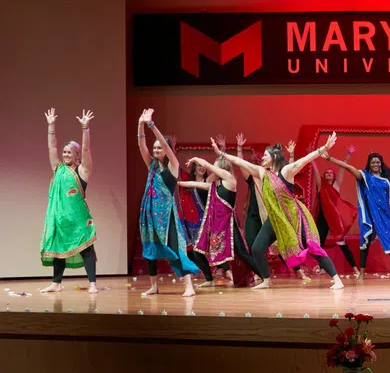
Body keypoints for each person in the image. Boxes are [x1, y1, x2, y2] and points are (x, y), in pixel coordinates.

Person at [213, 134, 345, 289]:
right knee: (257, 248)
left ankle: (337, 279)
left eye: (265, 156)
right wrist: (221, 153)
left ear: (274, 157)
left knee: (313, 248)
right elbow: (239, 162)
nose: (262, 158)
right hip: (275, 219)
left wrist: (324, 148)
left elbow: (305, 160)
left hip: (293, 217)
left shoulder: (287, 171)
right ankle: (266, 281)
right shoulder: (263, 173)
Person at [325, 151, 390, 279]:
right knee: (365, 242)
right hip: (370, 215)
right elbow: (348, 168)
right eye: (373, 162)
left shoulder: (387, 174)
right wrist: (330, 158)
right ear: (369, 164)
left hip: (385, 215)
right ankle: (362, 273)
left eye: (377, 162)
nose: (375, 164)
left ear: (381, 163)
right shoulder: (364, 176)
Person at [136, 109, 199, 297]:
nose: (155, 150)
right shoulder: (152, 166)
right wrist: (140, 123)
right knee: (150, 249)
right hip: (149, 215)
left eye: (159, 148)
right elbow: (141, 145)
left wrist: (151, 125)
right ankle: (154, 286)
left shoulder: (173, 166)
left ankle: (189, 286)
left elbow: (164, 143)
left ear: (167, 150)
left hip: (167, 216)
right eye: (154, 148)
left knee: (177, 249)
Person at [178, 153, 263, 286]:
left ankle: (265, 277)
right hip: (222, 226)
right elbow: (195, 184)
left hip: (230, 224)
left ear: (222, 168)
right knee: (239, 253)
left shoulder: (230, 180)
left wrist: (195, 158)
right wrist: (178, 183)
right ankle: (210, 279)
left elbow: (207, 166)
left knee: (242, 253)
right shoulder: (216, 185)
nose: (213, 170)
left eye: (216, 167)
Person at [39, 108, 98, 293]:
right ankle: (56, 283)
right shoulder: (58, 169)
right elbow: (52, 148)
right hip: (60, 219)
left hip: (78, 220)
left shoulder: (83, 171)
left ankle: (93, 284)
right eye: (64, 152)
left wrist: (85, 129)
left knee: (86, 248)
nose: (65, 155)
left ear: (77, 155)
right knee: (58, 249)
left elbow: (87, 148)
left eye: (69, 152)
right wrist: (51, 126)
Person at [312, 145, 360, 276]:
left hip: (334, 218)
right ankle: (322, 268)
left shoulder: (336, 185)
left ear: (333, 177)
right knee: (319, 243)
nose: (328, 174)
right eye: (326, 172)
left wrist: (348, 155)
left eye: (331, 173)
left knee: (342, 244)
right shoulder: (321, 184)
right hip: (323, 217)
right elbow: (315, 171)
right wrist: (311, 158)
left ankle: (355, 268)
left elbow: (342, 169)